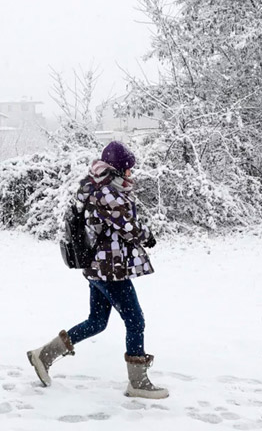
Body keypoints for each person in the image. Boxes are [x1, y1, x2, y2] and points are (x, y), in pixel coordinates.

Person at [26, 141, 168, 399]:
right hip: (108, 268)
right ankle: (137, 382)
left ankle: (43, 355)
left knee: (97, 321)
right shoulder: (106, 193)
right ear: (117, 170)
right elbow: (127, 226)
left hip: (98, 266)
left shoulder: (97, 188)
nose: (131, 174)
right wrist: (147, 236)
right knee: (135, 320)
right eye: (128, 170)